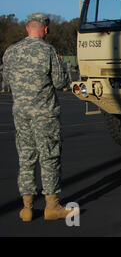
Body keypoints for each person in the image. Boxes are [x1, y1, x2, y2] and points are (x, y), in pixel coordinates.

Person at [2, 13, 73, 222]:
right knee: (49, 157)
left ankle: (27, 208)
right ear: (45, 29)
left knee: (26, 158)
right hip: (44, 115)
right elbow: (60, 83)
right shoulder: (47, 51)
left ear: (27, 28)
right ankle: (52, 206)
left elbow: (7, 79)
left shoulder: (10, 52)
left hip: (21, 113)